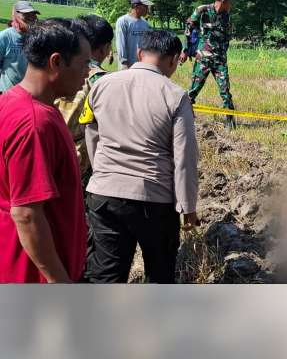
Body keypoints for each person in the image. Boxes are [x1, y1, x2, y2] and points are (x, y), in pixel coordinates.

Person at [81, 30, 200, 283]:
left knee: (105, 275)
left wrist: (103, 173)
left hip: (105, 196)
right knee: (159, 274)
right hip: (154, 200)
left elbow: (91, 134)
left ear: (139, 53)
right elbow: (184, 158)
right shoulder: (176, 96)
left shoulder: (101, 85)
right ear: (174, 60)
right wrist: (188, 207)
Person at [0, 19, 91, 283]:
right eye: (84, 63)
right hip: (33, 274)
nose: (88, 72)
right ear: (56, 62)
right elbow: (27, 214)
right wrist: (59, 282)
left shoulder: (11, 102)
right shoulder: (34, 123)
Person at [54, 15, 114, 182]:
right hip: (82, 158)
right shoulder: (102, 80)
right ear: (105, 48)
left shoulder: (58, 67)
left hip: (50, 149)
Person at [180, 0, 236, 129]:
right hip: (203, 58)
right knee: (193, 90)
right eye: (230, 2)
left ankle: (230, 122)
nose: (231, 5)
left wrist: (223, 53)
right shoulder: (202, 10)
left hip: (220, 61)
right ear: (223, 1)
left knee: (225, 90)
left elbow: (227, 37)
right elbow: (188, 28)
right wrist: (186, 50)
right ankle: (184, 118)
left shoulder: (227, 16)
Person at [0, 0, 40, 93]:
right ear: (15, 16)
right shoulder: (5, 37)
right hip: (7, 94)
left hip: (29, 95)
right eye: (26, 14)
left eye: (33, 14)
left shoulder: (36, 38)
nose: (31, 18)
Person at [115, 0, 153, 70]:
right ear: (136, 6)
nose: (147, 8)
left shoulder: (145, 24)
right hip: (127, 67)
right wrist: (124, 63)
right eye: (145, 6)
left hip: (142, 66)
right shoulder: (123, 21)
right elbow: (121, 44)